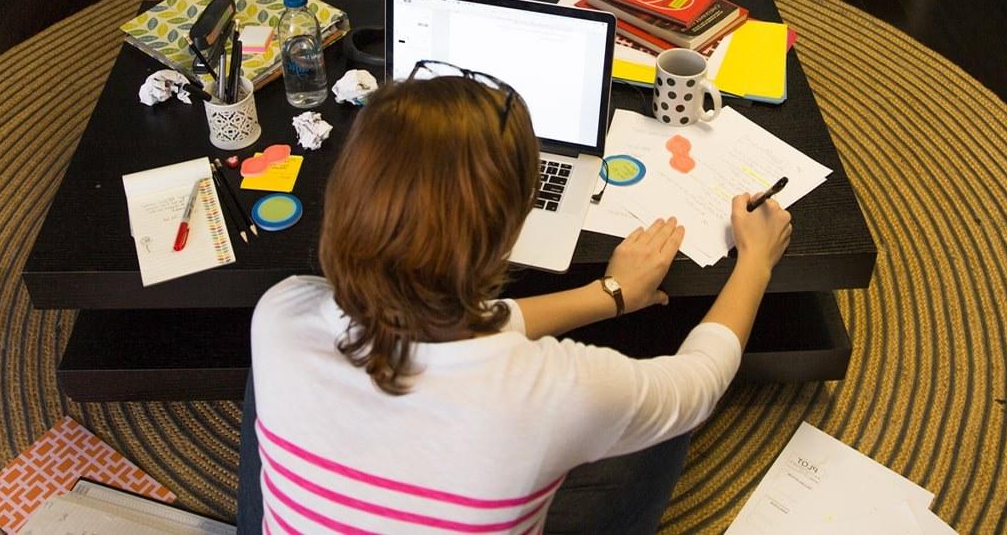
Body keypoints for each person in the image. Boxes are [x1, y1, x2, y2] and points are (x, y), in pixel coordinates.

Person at [239, 73, 792, 534]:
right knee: (660, 432)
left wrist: (610, 295)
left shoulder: (279, 316)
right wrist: (755, 261)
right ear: (508, 234)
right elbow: (698, 382)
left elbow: (451, 327)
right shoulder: (556, 391)